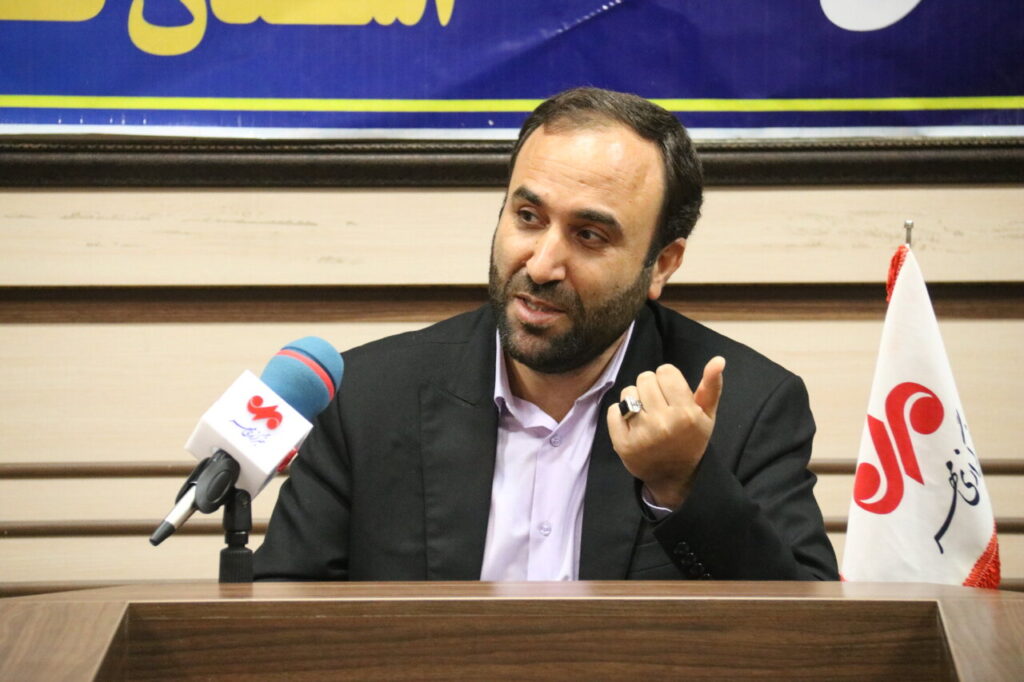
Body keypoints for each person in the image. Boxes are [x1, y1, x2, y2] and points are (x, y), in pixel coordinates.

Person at [254, 87, 838, 581]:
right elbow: (281, 617)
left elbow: (807, 637)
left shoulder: (748, 409)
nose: (540, 265)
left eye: (589, 236)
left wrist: (682, 484)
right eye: (528, 218)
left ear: (661, 264)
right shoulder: (366, 399)